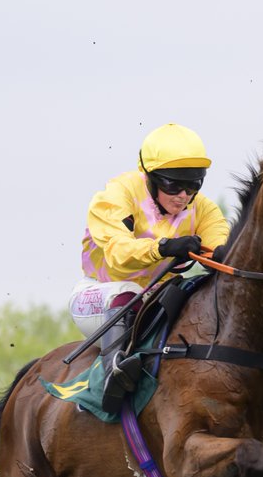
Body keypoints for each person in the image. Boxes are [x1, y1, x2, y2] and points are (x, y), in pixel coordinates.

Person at [68, 123, 230, 413]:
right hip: (100, 296)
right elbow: (118, 255)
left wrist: (223, 255)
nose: (183, 195)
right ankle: (111, 378)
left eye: (193, 185)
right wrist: (164, 248)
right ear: (150, 177)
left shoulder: (202, 209)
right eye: (173, 185)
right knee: (128, 291)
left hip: (155, 300)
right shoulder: (116, 195)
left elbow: (223, 248)